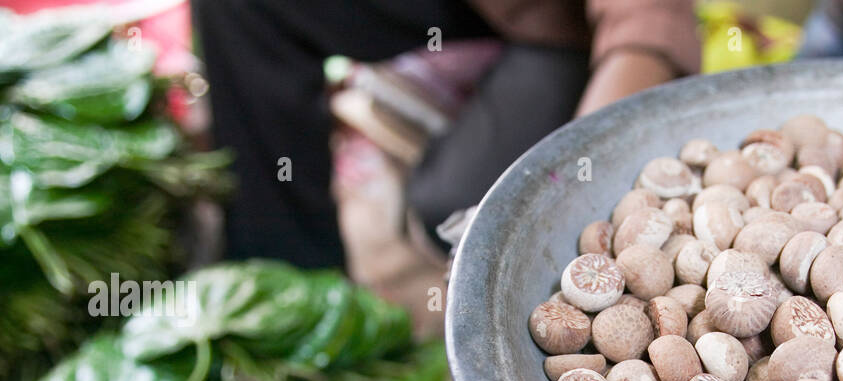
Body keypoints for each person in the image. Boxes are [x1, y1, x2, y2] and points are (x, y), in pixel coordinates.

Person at [193, 0, 700, 270]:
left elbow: (647, 28)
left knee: (461, 214)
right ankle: (285, 281)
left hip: (568, 27)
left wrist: (566, 197)